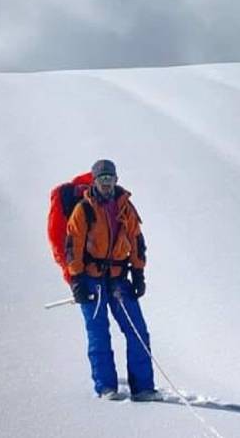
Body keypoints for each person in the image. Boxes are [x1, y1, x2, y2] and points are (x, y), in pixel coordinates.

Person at [65, 159, 159, 401]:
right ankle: (105, 387)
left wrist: (138, 273)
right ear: (94, 181)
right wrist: (76, 280)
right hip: (90, 279)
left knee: (137, 330)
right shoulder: (83, 210)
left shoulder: (125, 207)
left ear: (116, 180)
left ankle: (143, 388)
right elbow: (73, 247)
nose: (107, 184)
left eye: (110, 178)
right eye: (102, 179)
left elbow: (136, 241)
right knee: (98, 333)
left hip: (119, 278)